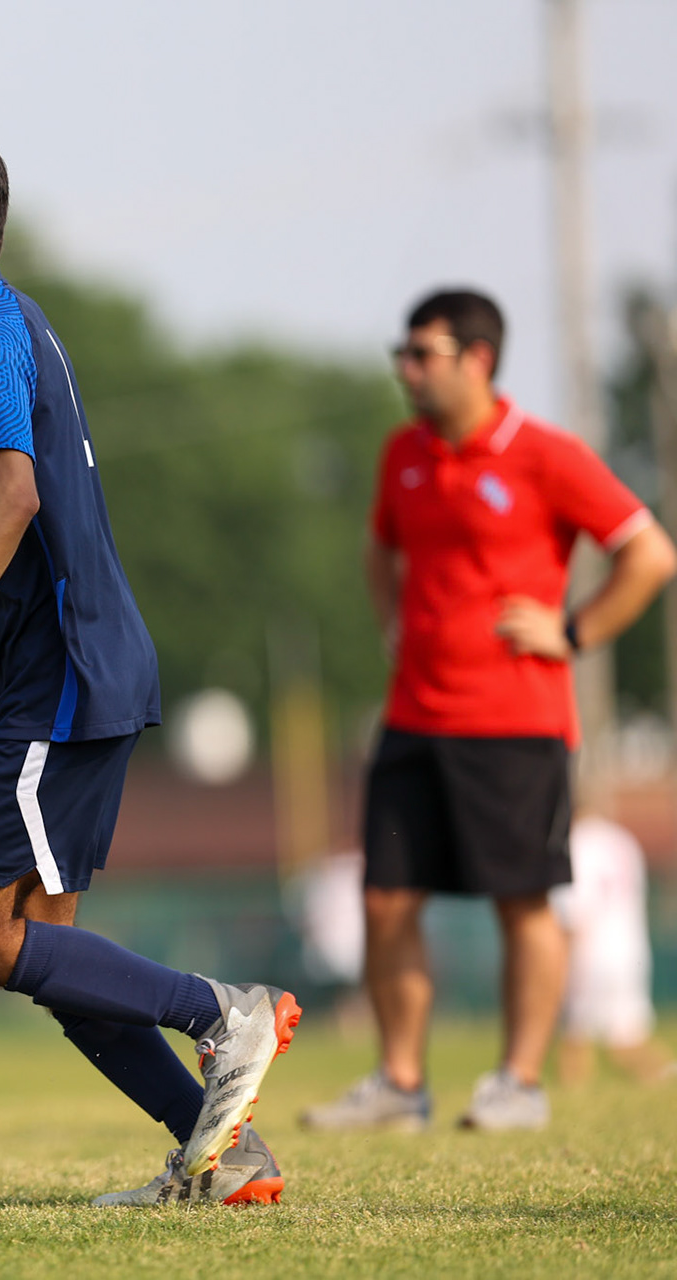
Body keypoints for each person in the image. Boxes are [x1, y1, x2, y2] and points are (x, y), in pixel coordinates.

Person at [0, 102, 301, 1207]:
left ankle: (221, 1008)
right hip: (70, 666)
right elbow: (21, 527)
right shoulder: (3, 322)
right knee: (45, 952)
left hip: (70, 680)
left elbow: (12, 489)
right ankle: (224, 1151)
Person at [303, 289, 676, 1133]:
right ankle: (400, 1085)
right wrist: (392, 621)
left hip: (516, 725)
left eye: (423, 354)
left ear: (479, 358)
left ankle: (519, 1084)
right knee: (386, 899)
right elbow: (379, 546)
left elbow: (650, 553)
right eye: (402, 353)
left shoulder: (545, 454)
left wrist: (573, 631)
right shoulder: (404, 452)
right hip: (411, 722)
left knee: (523, 902)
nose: (407, 370)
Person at [553, 810, 671, 1085]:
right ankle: (665, 1076)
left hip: (591, 953)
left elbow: (577, 911)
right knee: (627, 1041)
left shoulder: (578, 842)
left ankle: (570, 1102)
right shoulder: (622, 840)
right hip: (629, 951)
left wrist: (563, 961)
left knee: (575, 1037)